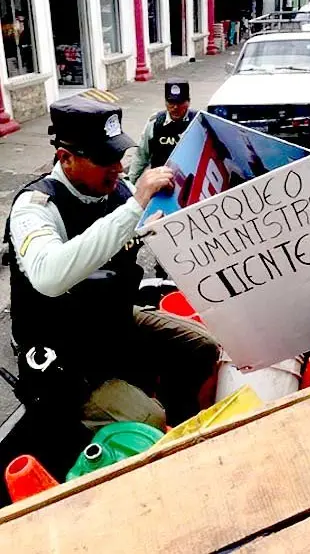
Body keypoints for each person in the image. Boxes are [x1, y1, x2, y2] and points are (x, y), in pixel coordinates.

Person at [3, 96, 220, 440]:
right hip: (62, 346)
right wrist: (135, 207)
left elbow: (163, 225)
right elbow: (49, 275)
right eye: (106, 159)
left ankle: (182, 428)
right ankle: (139, 437)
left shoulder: (118, 192)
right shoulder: (35, 208)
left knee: (204, 347)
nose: (118, 168)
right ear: (67, 159)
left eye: (119, 156)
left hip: (110, 320)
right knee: (148, 417)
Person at [127, 79, 197, 184]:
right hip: (160, 184)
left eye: (180, 102)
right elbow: (141, 156)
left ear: (188, 102)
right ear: (165, 102)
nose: (175, 107)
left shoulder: (198, 122)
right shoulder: (155, 123)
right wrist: (129, 184)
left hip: (190, 184)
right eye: (171, 102)